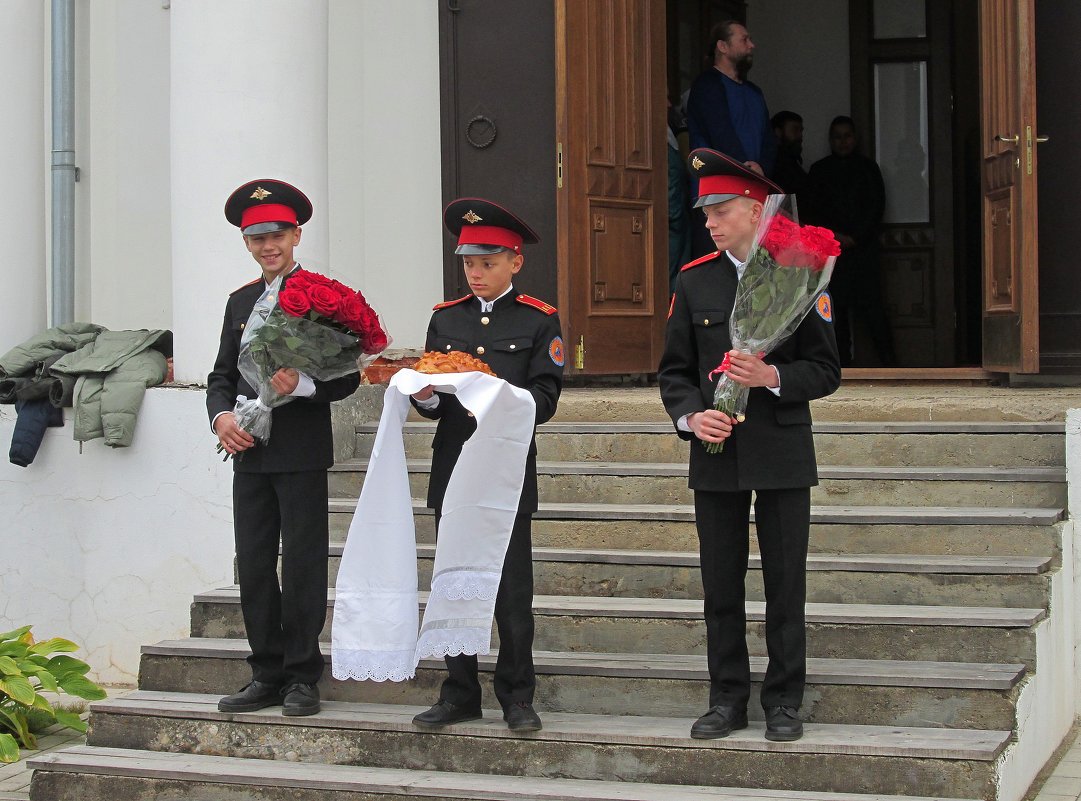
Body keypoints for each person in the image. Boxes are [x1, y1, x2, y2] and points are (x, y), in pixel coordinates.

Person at [657, 149, 841, 743]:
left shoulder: (799, 269)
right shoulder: (693, 279)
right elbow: (674, 373)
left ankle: (784, 701)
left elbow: (825, 369)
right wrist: (691, 419)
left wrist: (773, 378)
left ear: (758, 209)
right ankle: (726, 699)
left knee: (785, 584)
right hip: (717, 451)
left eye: (722, 209)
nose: (709, 221)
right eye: (705, 211)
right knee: (721, 583)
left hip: (783, 448)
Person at [409, 197, 564, 734]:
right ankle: (459, 691)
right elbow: (431, 401)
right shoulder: (444, 317)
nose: (476, 273)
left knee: (511, 590)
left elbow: (544, 400)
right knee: (452, 582)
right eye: (469, 263)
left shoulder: (539, 320)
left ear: (515, 262)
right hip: (453, 465)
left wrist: (494, 392)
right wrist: (426, 395)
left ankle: (517, 695)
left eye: (488, 263)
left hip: (504, 471)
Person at [208, 179, 361, 717]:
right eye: (256, 238)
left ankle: (301, 676)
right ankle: (264, 672)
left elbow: (346, 380)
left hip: (299, 449)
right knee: (252, 564)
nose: (268, 246)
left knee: (300, 566)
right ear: (247, 243)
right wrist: (222, 418)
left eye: (277, 234)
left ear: (296, 234)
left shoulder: (322, 299)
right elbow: (221, 375)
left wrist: (304, 386)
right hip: (249, 450)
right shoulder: (240, 302)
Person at [807, 116, 897, 367]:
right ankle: (840, 367)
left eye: (847, 136)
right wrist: (834, 236)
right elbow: (812, 211)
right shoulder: (819, 171)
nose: (843, 141)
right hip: (831, 255)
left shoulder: (868, 169)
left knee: (874, 310)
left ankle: (891, 366)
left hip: (864, 251)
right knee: (836, 312)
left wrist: (855, 237)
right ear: (830, 140)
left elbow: (876, 206)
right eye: (838, 136)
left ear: (855, 138)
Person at [685, 21, 775, 257]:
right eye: (744, 40)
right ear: (722, 46)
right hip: (717, 193)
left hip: (753, 189)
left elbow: (768, 137)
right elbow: (720, 132)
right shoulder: (707, 85)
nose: (752, 45)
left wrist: (761, 166)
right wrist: (746, 167)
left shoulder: (754, 91)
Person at [769, 110, 811, 203]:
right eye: (795, 130)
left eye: (801, 131)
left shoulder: (792, 161)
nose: (800, 136)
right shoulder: (773, 164)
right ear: (778, 132)